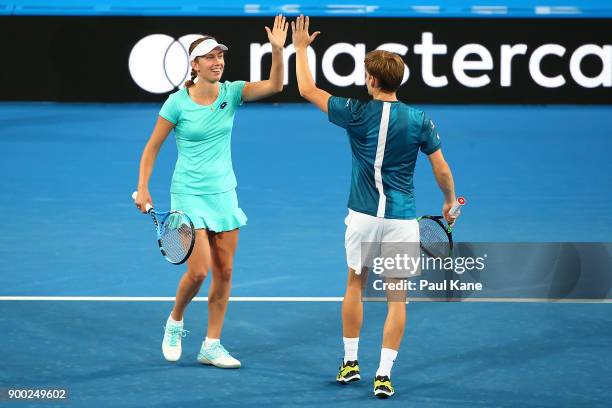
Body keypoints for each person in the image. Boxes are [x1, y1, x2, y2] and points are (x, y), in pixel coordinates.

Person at [291, 15, 459, 398]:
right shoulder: (420, 121)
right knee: (396, 296)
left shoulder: (355, 111)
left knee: (355, 283)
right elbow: (442, 168)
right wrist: (449, 202)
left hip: (362, 217)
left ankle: (350, 364)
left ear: (371, 80)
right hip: (401, 221)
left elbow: (306, 89)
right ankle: (384, 374)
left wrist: (301, 48)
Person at [134, 15, 289, 368]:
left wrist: (278, 52)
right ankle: (175, 321)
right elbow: (152, 148)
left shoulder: (232, 93)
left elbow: (276, 86)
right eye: (209, 57)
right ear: (195, 64)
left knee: (225, 271)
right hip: (188, 194)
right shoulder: (177, 103)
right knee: (200, 271)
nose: (217, 62)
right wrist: (143, 187)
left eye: (220, 56)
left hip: (224, 194)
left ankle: (212, 344)